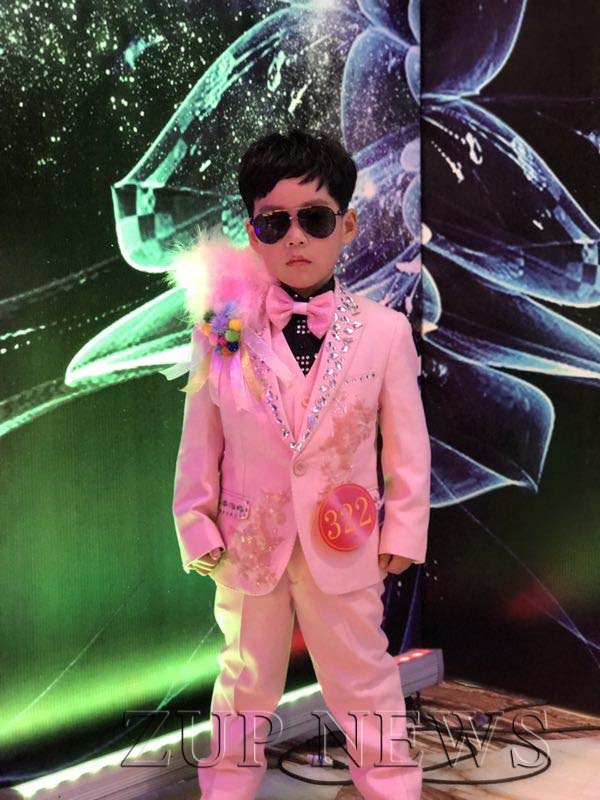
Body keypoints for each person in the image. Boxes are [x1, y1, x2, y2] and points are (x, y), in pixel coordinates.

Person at [167, 128, 431, 800]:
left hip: (346, 539)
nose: (295, 239)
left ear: (347, 225)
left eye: (314, 220)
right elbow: (201, 436)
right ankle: (227, 789)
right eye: (273, 223)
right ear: (251, 233)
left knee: (364, 677)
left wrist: (405, 528)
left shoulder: (384, 332)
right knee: (243, 683)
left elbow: (407, 444)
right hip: (247, 543)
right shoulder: (223, 328)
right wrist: (195, 522)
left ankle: (391, 786)